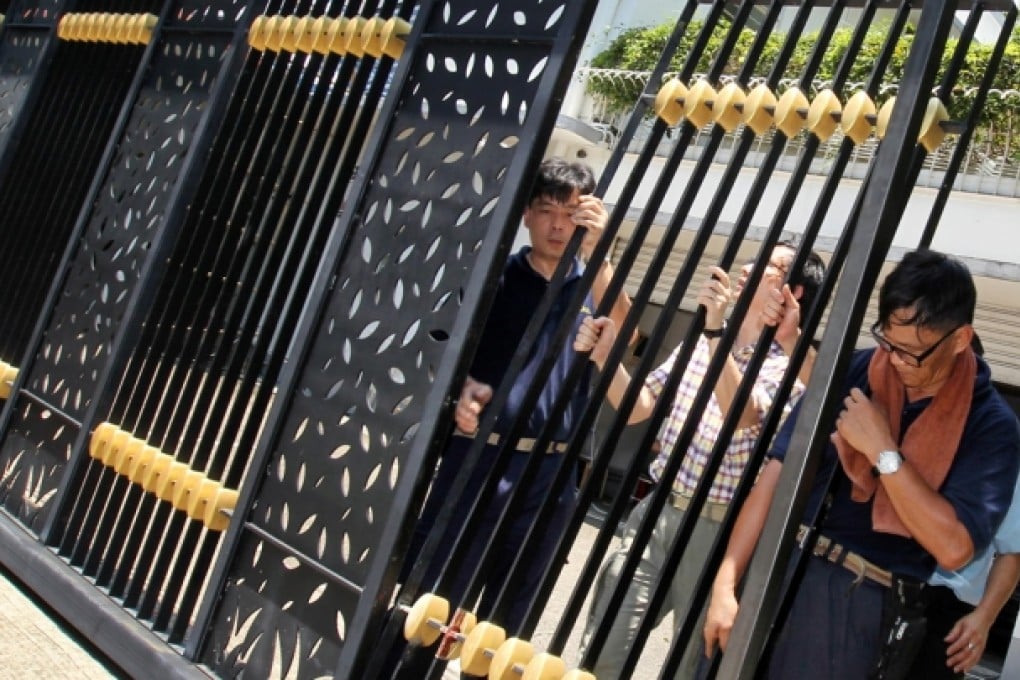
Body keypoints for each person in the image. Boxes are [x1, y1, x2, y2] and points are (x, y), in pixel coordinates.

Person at [704, 249, 1020, 680]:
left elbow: (954, 547)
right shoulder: (857, 369)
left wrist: (882, 452)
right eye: (889, 342)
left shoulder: (991, 425)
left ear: (962, 339)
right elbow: (777, 476)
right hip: (780, 565)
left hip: (862, 598)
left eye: (914, 353)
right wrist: (726, 581)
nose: (895, 361)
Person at [392, 157, 631, 674]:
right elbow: (440, 350)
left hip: (551, 475)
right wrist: (463, 391)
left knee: (508, 624)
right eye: (547, 210)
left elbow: (626, 340)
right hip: (480, 457)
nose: (559, 225)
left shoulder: (590, 284)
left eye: (572, 213)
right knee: (435, 600)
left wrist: (600, 253)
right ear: (526, 214)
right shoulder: (496, 276)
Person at [573, 242, 825, 679]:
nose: (746, 268)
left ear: (792, 293)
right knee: (605, 647)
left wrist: (712, 333)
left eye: (768, 266)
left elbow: (742, 415)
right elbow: (641, 406)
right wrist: (606, 358)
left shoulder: (792, 368)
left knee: (691, 666)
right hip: (659, 507)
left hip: (721, 530)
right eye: (752, 259)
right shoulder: (705, 338)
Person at [913, 464, 1020, 678]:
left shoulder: (1007, 446)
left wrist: (984, 618)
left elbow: (1013, 551)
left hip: (948, 605)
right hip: (880, 579)